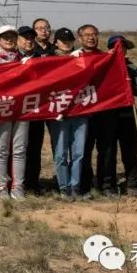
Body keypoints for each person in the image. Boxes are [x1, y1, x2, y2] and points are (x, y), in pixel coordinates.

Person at [0, 26, 28, 200]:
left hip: (22, 108)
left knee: (20, 149)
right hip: (2, 107)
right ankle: (2, 186)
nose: (9, 39)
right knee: (2, 149)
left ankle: (18, 186)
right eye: (5, 37)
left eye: (12, 36)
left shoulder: (23, 59)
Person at [48, 27, 86, 201]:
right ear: (56, 42)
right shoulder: (49, 60)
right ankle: (64, 187)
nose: (66, 43)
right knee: (61, 152)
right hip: (59, 113)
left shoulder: (81, 59)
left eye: (69, 40)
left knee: (79, 151)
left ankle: (75, 186)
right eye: (62, 41)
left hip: (80, 111)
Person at [108, 34, 137, 196]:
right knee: (108, 152)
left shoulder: (133, 68)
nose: (120, 50)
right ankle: (109, 184)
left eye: (123, 47)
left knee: (130, 151)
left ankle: (132, 183)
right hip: (108, 115)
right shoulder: (103, 65)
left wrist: (131, 86)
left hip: (128, 115)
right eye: (117, 47)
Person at [21, 22, 54, 195]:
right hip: (17, 109)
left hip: (39, 108)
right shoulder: (13, 57)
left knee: (35, 147)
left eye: (31, 38)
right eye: (26, 38)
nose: (29, 41)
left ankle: (33, 183)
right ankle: (17, 183)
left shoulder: (50, 53)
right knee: (18, 148)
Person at [75, 24, 105, 198]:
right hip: (82, 111)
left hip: (103, 109)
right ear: (80, 38)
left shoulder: (104, 57)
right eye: (87, 35)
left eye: (94, 34)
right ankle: (84, 184)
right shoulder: (75, 57)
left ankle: (104, 184)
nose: (91, 38)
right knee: (83, 150)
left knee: (106, 149)